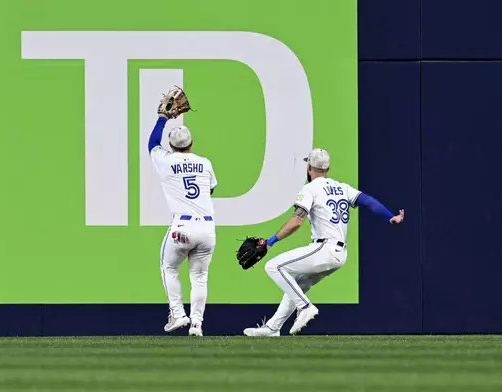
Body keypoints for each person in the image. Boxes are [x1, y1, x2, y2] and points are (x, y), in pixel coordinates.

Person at [243, 148, 404, 336]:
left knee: (273, 266)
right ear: (327, 168)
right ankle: (273, 328)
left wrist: (270, 241)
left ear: (309, 167)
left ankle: (305, 308)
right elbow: (368, 201)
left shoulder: (310, 189)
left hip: (324, 248)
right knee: (298, 285)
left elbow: (297, 221)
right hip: (339, 254)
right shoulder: (342, 187)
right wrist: (389, 216)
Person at [148, 109, 217, 337]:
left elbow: (152, 143)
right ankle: (197, 324)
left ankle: (178, 314)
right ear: (192, 143)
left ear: (171, 144)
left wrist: (162, 118)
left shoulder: (165, 160)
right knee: (199, 277)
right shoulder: (204, 163)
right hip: (207, 227)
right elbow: (211, 189)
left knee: (169, 267)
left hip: (182, 226)